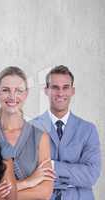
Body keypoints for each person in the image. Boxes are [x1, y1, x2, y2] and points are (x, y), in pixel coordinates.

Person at [30, 65, 101, 200]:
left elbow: (91, 175)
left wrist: (51, 166)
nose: (60, 93)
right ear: (46, 90)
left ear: (72, 91)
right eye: (55, 87)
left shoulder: (88, 130)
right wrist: (75, 176)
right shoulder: (31, 128)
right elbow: (28, 173)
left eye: (65, 87)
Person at [0, 66, 54, 200]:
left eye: (18, 90)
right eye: (5, 90)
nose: (12, 96)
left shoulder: (41, 137)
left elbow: (45, 191)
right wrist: (29, 182)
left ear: (26, 94)